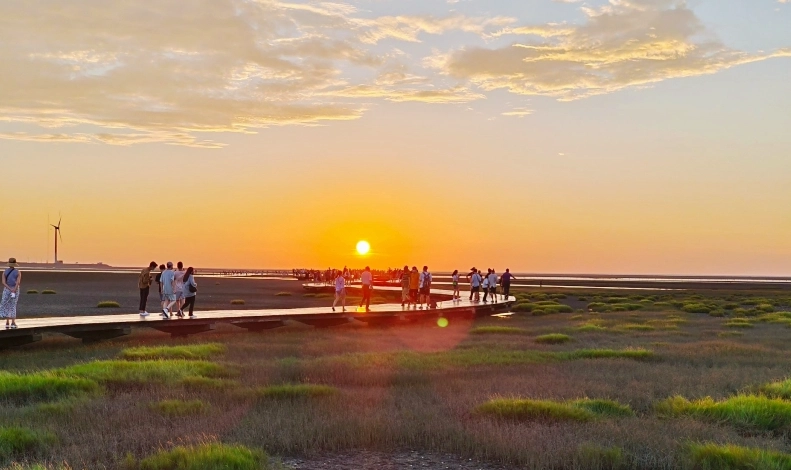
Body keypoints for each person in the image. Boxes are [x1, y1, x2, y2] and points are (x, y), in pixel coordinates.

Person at [1, 258, 21, 329]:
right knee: (13, 305)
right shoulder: (18, 272)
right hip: (15, 290)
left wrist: (9, 289)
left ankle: (7, 322)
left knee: (7, 305)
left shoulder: (5, 272)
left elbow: (3, 282)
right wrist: (14, 289)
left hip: (7, 290)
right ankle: (13, 323)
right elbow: (18, 282)